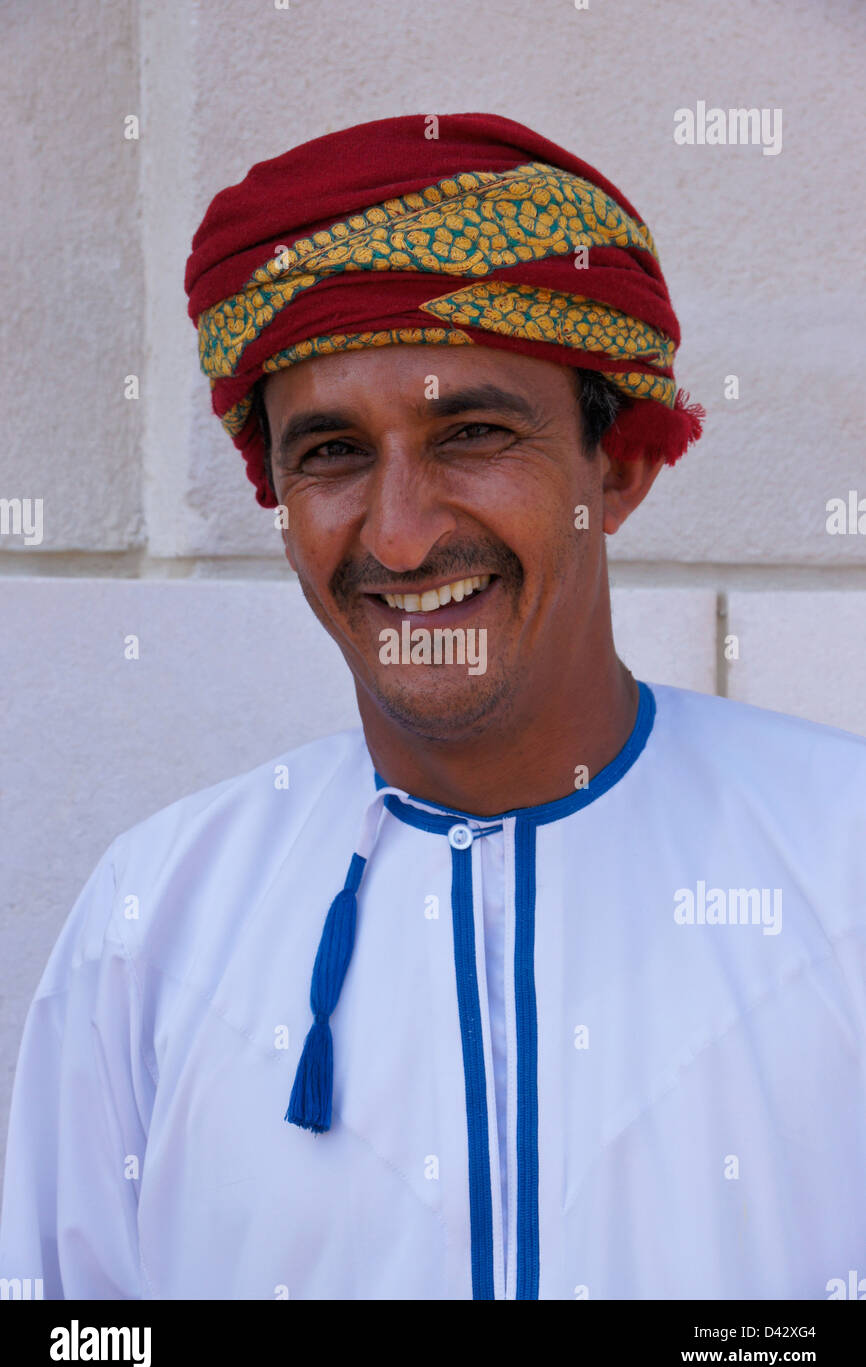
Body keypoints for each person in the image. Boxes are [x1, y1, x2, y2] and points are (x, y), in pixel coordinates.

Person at [1, 112, 864, 1302]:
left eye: (471, 433)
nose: (400, 535)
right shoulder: (152, 925)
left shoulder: (840, 869)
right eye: (331, 453)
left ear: (616, 467)